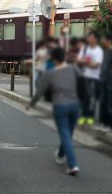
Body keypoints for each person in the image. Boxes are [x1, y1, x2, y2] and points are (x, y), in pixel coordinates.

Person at [27, 47, 81, 176]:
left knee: (65, 134)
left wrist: (31, 104)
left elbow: (40, 92)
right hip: (75, 105)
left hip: (60, 106)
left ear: (54, 59)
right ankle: (61, 154)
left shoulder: (49, 74)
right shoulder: (74, 68)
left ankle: (73, 164)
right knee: (68, 133)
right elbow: (82, 82)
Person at [77, 31, 104, 126]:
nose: (88, 39)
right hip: (84, 76)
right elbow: (78, 60)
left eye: (90, 37)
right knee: (84, 98)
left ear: (95, 38)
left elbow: (96, 65)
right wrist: (89, 62)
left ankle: (90, 117)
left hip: (94, 77)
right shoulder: (84, 48)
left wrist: (85, 62)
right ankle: (83, 116)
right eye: (88, 37)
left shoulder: (99, 51)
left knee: (92, 98)